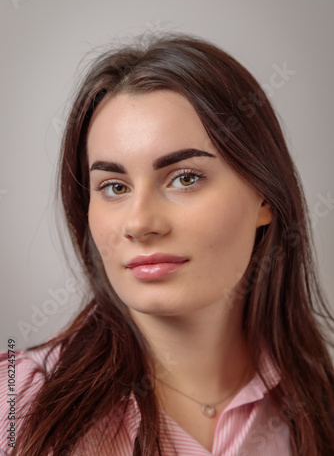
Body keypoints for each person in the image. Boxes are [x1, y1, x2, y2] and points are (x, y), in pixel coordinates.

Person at [0, 33, 333, 456]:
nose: (139, 223)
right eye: (114, 186)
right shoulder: (16, 404)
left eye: (185, 178)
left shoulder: (318, 409)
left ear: (264, 195)